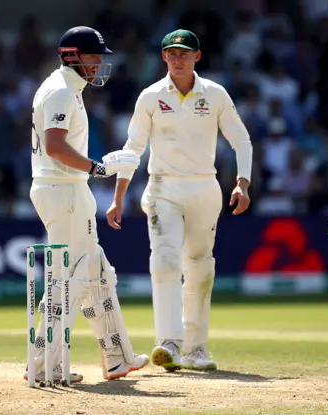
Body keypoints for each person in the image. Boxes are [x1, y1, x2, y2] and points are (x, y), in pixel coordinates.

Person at [106, 29, 253, 371]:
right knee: (165, 259)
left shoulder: (214, 94)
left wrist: (242, 184)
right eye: (172, 53)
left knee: (201, 266)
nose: (178, 59)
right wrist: (118, 197)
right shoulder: (150, 96)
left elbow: (242, 141)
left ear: (197, 56)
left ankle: (196, 349)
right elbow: (133, 149)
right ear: (163, 58)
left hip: (205, 186)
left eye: (184, 53)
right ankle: (168, 343)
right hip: (163, 188)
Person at [26, 26, 149, 384]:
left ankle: (117, 357)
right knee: (70, 279)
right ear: (72, 56)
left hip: (66, 188)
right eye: (94, 57)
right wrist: (96, 168)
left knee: (95, 271)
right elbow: (55, 146)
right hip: (63, 190)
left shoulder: (65, 87)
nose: (99, 64)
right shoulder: (63, 91)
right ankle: (42, 364)